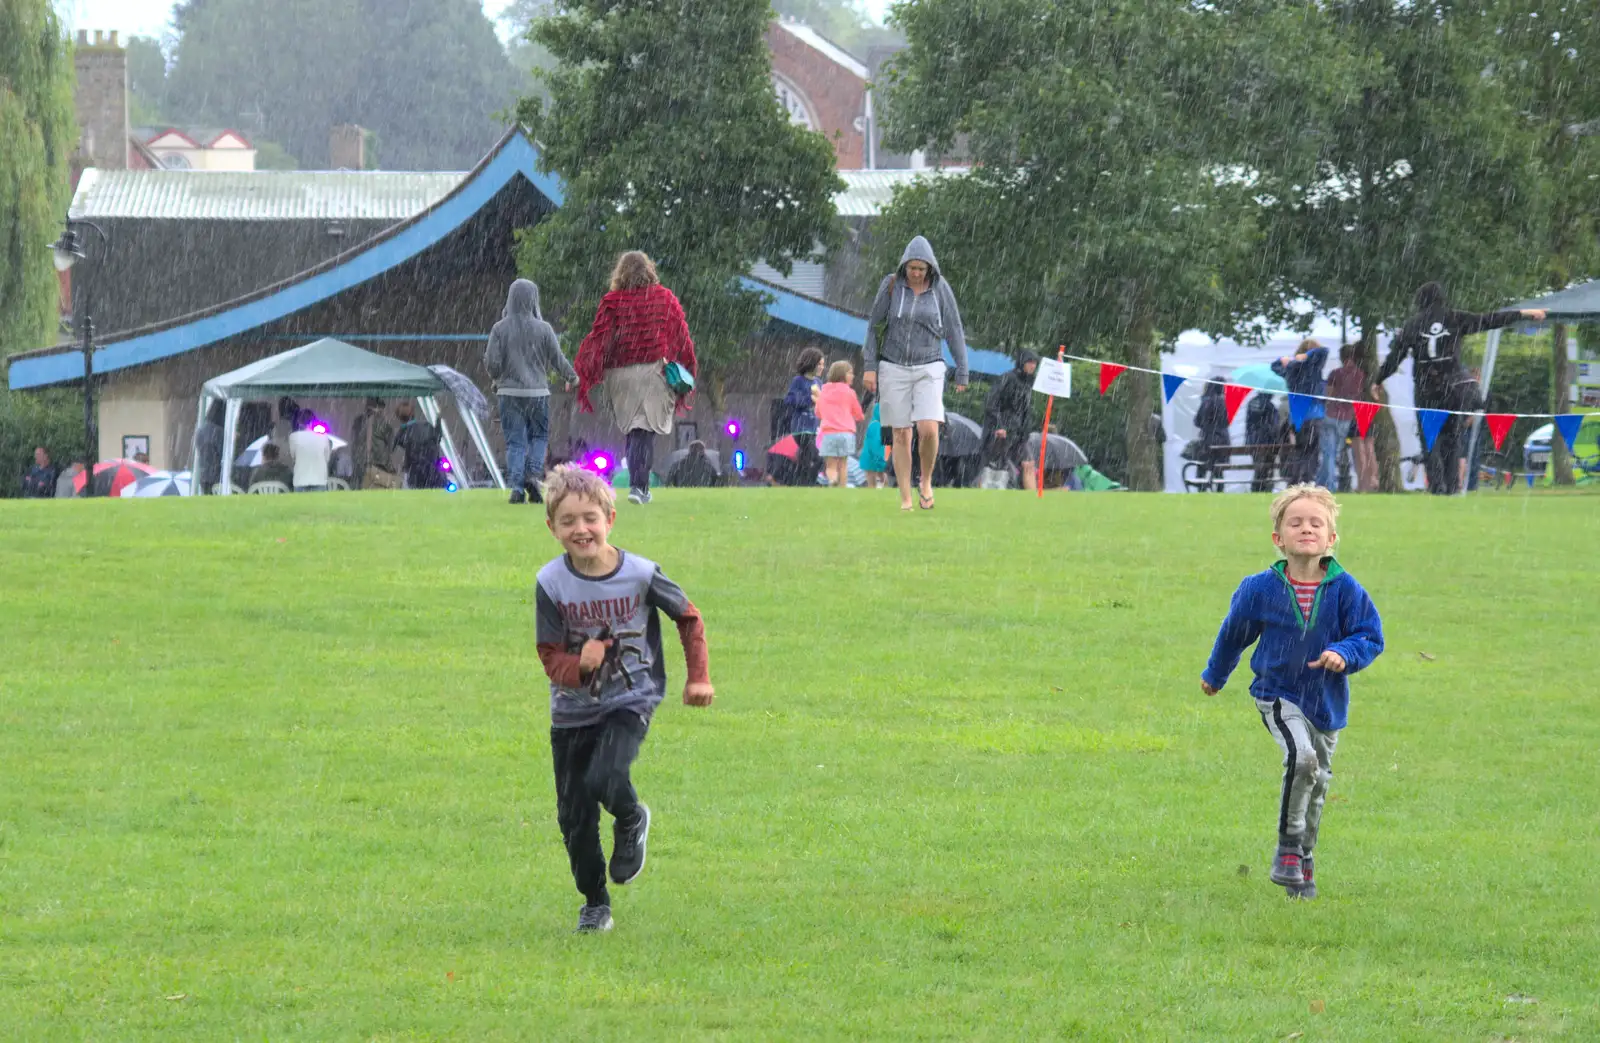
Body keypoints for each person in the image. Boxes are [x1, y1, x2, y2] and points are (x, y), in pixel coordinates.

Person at [534, 466, 714, 933]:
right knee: (574, 815)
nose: (581, 529)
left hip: (630, 698)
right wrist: (582, 666)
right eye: (568, 521)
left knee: (606, 774)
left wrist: (699, 678)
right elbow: (550, 656)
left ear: (610, 518)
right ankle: (595, 903)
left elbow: (689, 618)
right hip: (572, 709)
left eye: (590, 518)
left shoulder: (640, 574)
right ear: (551, 527)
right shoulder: (551, 583)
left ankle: (631, 817)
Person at [1201, 485, 1384, 900]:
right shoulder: (1259, 589)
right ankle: (1286, 846)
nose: (1306, 529)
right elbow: (1234, 635)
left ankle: (1303, 856)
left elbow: (1371, 636)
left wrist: (1343, 652)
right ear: (1277, 538)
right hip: (1277, 691)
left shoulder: (1347, 590)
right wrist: (1216, 674)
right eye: (1295, 522)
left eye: (1316, 523)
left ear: (1331, 538)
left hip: (1326, 702)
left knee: (1316, 782)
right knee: (1300, 758)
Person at [1377, 282, 1545, 495]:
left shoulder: (1412, 325)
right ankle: (1452, 486)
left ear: (1420, 301)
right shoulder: (1454, 318)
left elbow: (1395, 357)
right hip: (1452, 389)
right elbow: (1489, 320)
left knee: (1430, 440)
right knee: (1452, 438)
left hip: (1426, 390)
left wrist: (1378, 379)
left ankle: (1437, 487)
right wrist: (1524, 313)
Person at [574, 251, 698, 507]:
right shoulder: (664, 298)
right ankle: (639, 486)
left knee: (634, 431)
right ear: (649, 270)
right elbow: (682, 336)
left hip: (620, 376)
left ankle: (637, 485)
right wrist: (687, 365)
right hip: (651, 373)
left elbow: (599, 339)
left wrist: (585, 370)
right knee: (645, 432)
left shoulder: (612, 301)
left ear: (620, 273)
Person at [862, 235, 968, 511]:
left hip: (929, 364)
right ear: (904, 266)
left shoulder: (940, 289)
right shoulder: (891, 285)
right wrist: (870, 367)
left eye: (921, 269)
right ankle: (906, 498)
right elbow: (874, 326)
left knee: (928, 428)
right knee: (900, 433)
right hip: (893, 365)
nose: (916, 273)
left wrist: (962, 370)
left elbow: (954, 329)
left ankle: (926, 481)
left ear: (930, 268)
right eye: (912, 268)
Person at [486, 278, 579, 505]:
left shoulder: (499, 329)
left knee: (515, 443)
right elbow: (557, 359)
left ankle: (517, 488)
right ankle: (533, 473)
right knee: (539, 437)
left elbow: (492, 364)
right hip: (538, 393)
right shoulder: (544, 329)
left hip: (508, 394)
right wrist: (573, 377)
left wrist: (498, 378)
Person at [1271, 339, 1330, 487]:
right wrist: (1303, 357)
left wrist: (1288, 360)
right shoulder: (1313, 366)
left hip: (1298, 418)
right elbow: (1324, 351)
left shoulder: (1291, 369)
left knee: (1301, 450)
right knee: (1311, 451)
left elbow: (1275, 366)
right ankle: (1307, 480)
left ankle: (1297, 481)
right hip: (1313, 415)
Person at [982, 350, 1039, 492]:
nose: (1033, 366)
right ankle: (983, 491)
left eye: (1035, 363)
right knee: (995, 466)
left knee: (1028, 463)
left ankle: (1034, 499)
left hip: (1018, 432)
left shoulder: (1028, 383)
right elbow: (991, 403)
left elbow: (1025, 410)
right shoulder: (1007, 378)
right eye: (1030, 362)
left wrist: (1026, 430)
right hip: (1001, 430)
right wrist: (999, 426)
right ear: (1022, 363)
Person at [1323, 346, 1371, 492]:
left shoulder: (1335, 373)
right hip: (1355, 415)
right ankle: (1364, 484)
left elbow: (1328, 395)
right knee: (1362, 452)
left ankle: (1330, 483)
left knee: (1331, 453)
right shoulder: (1362, 374)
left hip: (1334, 415)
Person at [816, 360, 865, 488]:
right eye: (850, 373)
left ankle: (832, 481)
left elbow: (818, 412)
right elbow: (859, 414)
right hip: (846, 434)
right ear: (842, 375)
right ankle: (842, 490)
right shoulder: (850, 393)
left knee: (831, 466)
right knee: (843, 464)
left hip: (828, 433)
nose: (853, 376)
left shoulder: (824, 391)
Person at [784, 347, 826, 485]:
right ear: (811, 363)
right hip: (800, 428)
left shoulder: (819, 383)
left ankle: (802, 483)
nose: (822, 367)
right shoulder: (798, 381)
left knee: (808, 458)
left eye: (823, 364)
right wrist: (809, 399)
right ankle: (806, 483)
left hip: (813, 428)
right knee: (816, 458)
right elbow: (789, 400)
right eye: (819, 364)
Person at [392, 401, 444, 490]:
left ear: (399, 417)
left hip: (414, 472)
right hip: (432, 470)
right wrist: (438, 420)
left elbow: (394, 446)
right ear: (413, 413)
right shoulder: (427, 426)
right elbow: (438, 437)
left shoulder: (403, 433)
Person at [351, 398, 396, 490]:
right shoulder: (384, 424)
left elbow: (353, 440)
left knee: (360, 490)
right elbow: (391, 447)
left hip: (360, 463)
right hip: (379, 465)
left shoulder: (358, 421)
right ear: (380, 408)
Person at [1193, 382, 1230, 492]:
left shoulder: (1206, 402)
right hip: (1222, 441)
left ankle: (1201, 489)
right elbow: (1227, 422)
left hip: (1208, 440)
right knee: (1218, 469)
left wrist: (1207, 425)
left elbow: (1197, 421)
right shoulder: (1224, 403)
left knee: (1202, 467)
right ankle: (1219, 489)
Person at [1244, 393, 1285, 494]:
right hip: (1267, 442)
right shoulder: (1270, 406)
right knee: (1267, 468)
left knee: (1259, 467)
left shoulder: (1251, 403)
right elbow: (1274, 427)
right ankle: (1264, 488)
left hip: (1253, 442)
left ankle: (1256, 488)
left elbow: (1249, 424)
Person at [288, 414, 334, 492]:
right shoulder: (323, 437)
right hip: (319, 479)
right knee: (318, 504)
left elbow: (293, 456)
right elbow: (327, 458)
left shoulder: (293, 437)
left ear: (299, 422)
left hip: (300, 479)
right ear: (313, 422)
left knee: (301, 504)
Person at [195, 401, 225, 493]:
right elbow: (222, 453)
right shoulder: (218, 431)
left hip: (204, 473)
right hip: (216, 475)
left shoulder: (200, 430)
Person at [858, 401, 888, 489]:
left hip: (869, 460)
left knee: (871, 485)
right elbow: (877, 448)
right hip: (876, 460)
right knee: (883, 481)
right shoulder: (880, 426)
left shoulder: (873, 424)